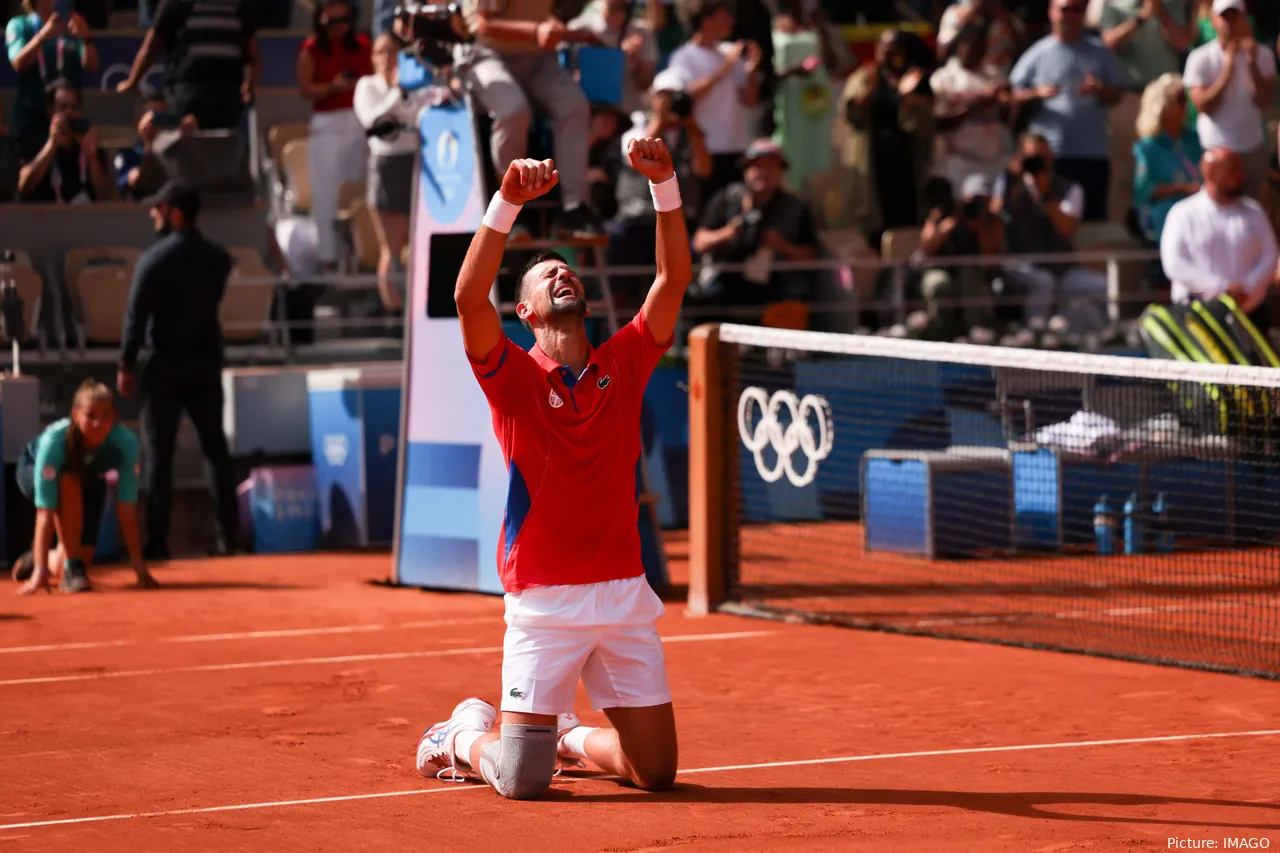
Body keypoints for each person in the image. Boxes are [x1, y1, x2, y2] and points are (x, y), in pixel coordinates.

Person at [415, 137, 692, 799]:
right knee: (520, 780)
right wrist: (508, 199)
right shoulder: (509, 375)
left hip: (624, 595)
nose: (562, 274)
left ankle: (565, 734)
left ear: (586, 300)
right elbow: (466, 296)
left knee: (655, 772)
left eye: (567, 270)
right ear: (526, 312)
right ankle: (456, 735)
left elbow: (672, 279)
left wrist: (666, 185)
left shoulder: (623, 362)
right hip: (543, 603)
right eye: (545, 275)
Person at [117, 181, 239, 561]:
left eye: (158, 207)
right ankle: (227, 538)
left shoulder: (153, 260)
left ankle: (158, 541)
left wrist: (126, 363)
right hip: (205, 362)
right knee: (215, 449)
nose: (153, 213)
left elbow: (136, 317)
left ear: (175, 213)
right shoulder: (218, 259)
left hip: (165, 364)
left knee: (160, 454)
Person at [458, 0, 607, 239]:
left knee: (574, 105)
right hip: (486, 55)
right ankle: (508, 205)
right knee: (514, 111)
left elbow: (541, 13)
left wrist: (569, 32)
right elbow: (483, 26)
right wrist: (536, 31)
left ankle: (573, 209)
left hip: (534, 57)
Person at [12, 380, 157, 596]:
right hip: (35, 470)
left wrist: (138, 566)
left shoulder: (127, 443)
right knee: (68, 482)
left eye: (105, 415)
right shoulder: (54, 441)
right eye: (90, 415)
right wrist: (40, 573)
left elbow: (126, 508)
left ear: (115, 417)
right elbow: (45, 512)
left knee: (82, 558)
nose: (98, 423)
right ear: (75, 415)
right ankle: (53, 566)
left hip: (86, 477)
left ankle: (41, 558)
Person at [1009, 0, 1128, 222]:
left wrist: (1099, 89)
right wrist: (1037, 94)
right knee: (1047, 221)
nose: (1071, 16)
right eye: (1065, 9)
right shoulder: (1037, 53)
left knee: (1092, 222)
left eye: (1077, 10)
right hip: (1050, 159)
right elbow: (1010, 94)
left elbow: (1119, 92)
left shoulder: (1100, 52)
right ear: (1051, 12)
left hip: (1092, 155)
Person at [994, 133, 1110, 333]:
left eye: (1043, 157)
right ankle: (1036, 337)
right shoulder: (1008, 183)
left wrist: (1045, 195)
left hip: (1062, 270)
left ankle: (1108, 337)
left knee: (1104, 287)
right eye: (1032, 158)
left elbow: (1067, 228)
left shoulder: (1068, 188)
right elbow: (993, 219)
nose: (1038, 163)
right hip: (1020, 267)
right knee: (1043, 282)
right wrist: (1014, 182)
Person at [692, 138, 821, 314]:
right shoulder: (727, 199)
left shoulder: (796, 207)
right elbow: (699, 242)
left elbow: (810, 257)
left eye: (771, 167)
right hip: (727, 278)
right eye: (758, 167)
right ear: (746, 171)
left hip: (776, 284)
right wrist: (728, 233)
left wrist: (781, 245)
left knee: (794, 298)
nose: (764, 173)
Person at [1160, 147, 1277, 329]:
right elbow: (1175, 263)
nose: (1240, 176)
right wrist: (1220, 289)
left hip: (1249, 315)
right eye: (1232, 170)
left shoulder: (1254, 212)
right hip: (1197, 319)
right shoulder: (1183, 213)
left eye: (1239, 170)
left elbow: (1270, 255)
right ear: (1210, 173)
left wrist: (1246, 288)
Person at [354, 32, 429, 312]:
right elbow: (373, 119)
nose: (387, 59)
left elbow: (416, 115)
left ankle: (416, 308)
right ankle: (393, 312)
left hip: (417, 164)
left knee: (416, 247)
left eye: (393, 52)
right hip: (387, 167)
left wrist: (403, 93)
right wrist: (398, 93)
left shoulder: (413, 85)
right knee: (392, 249)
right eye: (380, 53)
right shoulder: (366, 86)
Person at [1099, 0, 1191, 223]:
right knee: (1123, 175)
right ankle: (1119, 239)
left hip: (1165, 99)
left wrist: (1161, 15)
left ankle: (1164, 234)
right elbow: (1108, 43)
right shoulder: (1114, 7)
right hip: (1129, 97)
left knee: (1167, 172)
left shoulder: (1172, 5)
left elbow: (1182, 43)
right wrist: (1140, 18)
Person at [298, 0, 373, 271]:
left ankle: (361, 254)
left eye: (343, 20)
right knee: (325, 194)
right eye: (331, 22)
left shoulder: (364, 45)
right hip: (326, 124)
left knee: (357, 189)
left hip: (358, 120)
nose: (338, 27)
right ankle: (328, 257)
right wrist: (333, 86)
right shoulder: (311, 48)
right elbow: (306, 89)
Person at [665, 0, 763, 203]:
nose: (731, 20)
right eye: (724, 15)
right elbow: (685, 98)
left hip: (738, 148)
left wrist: (751, 72)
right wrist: (724, 68)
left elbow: (750, 101)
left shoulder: (731, 52)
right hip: (706, 150)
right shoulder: (684, 57)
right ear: (706, 19)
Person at [117, 0, 259, 131]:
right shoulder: (238, 4)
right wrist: (249, 85)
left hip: (188, 95)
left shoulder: (176, 3)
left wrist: (132, 82)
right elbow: (253, 56)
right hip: (228, 98)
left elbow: (151, 49)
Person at [1182, 0, 1275, 199]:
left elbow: (1264, 100)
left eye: (1235, 16)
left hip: (1251, 149)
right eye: (1225, 16)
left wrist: (1252, 65)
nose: (1230, 22)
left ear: (1244, 19)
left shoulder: (1263, 55)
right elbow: (1204, 105)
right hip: (1212, 149)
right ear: (1213, 20)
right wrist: (1228, 71)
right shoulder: (1199, 58)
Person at [4, 0, 99, 160]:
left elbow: (92, 66)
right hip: (32, 118)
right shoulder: (20, 24)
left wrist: (86, 38)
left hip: (67, 116)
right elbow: (18, 63)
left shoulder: (72, 23)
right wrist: (43, 35)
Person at [930, 21, 1013, 191]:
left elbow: (1005, 119)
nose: (975, 51)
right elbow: (938, 124)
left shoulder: (994, 75)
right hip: (959, 162)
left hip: (993, 162)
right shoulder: (943, 78)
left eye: (981, 46)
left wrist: (1005, 102)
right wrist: (976, 106)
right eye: (970, 45)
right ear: (959, 45)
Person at [1132, 73, 1203, 245]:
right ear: (1163, 106)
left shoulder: (1196, 139)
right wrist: (1180, 189)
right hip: (1166, 213)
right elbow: (1143, 192)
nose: (1186, 105)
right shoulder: (1148, 147)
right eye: (1180, 100)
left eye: (1185, 99)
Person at [16, 82, 113, 203]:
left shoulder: (90, 145)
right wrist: (52, 144)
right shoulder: (34, 143)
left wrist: (92, 159)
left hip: (85, 218)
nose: (69, 113)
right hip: (43, 218)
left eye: (74, 107)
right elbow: (24, 186)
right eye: (63, 107)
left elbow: (106, 196)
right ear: (50, 111)